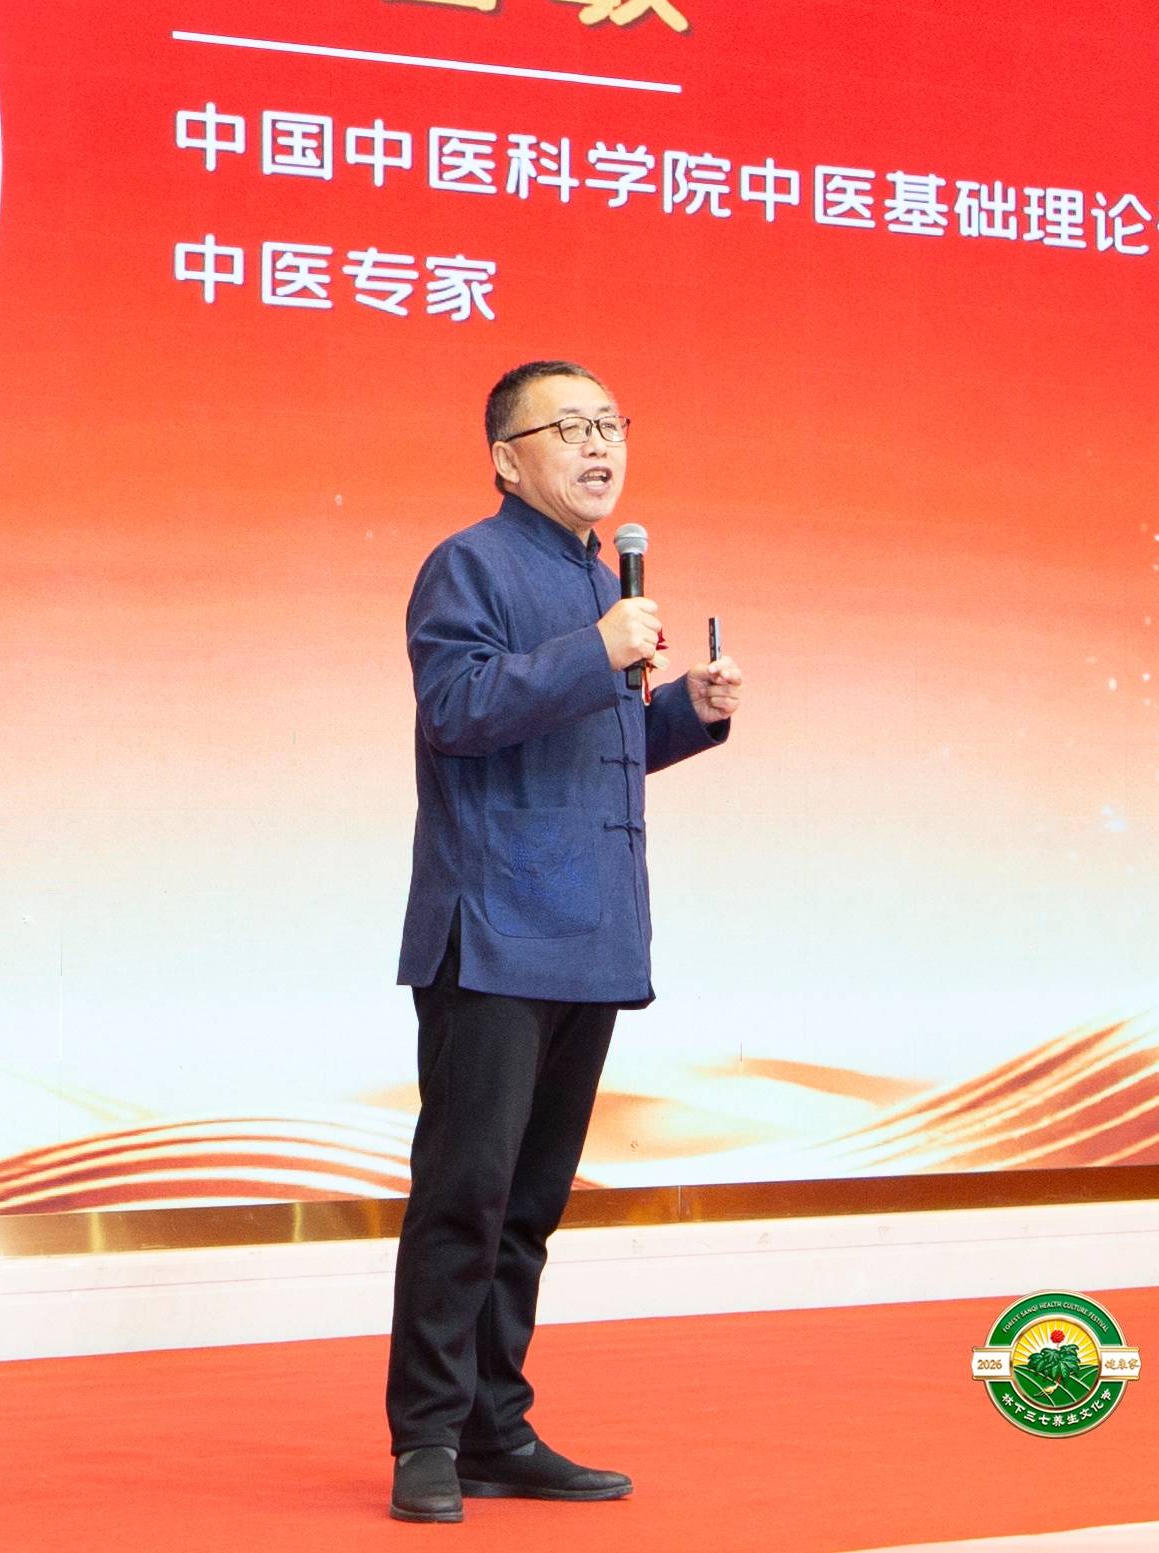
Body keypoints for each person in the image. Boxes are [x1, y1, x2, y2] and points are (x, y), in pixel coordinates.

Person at [385, 359, 744, 1525]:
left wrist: (684, 712)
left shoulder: (601, 586)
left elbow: (596, 752)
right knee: (466, 1194)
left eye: (609, 425)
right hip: (492, 930)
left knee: (530, 1203)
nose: (599, 446)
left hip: (588, 932)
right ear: (506, 456)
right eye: (570, 426)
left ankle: (496, 1425)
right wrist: (599, 647)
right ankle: (427, 1435)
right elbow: (459, 711)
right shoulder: (470, 565)